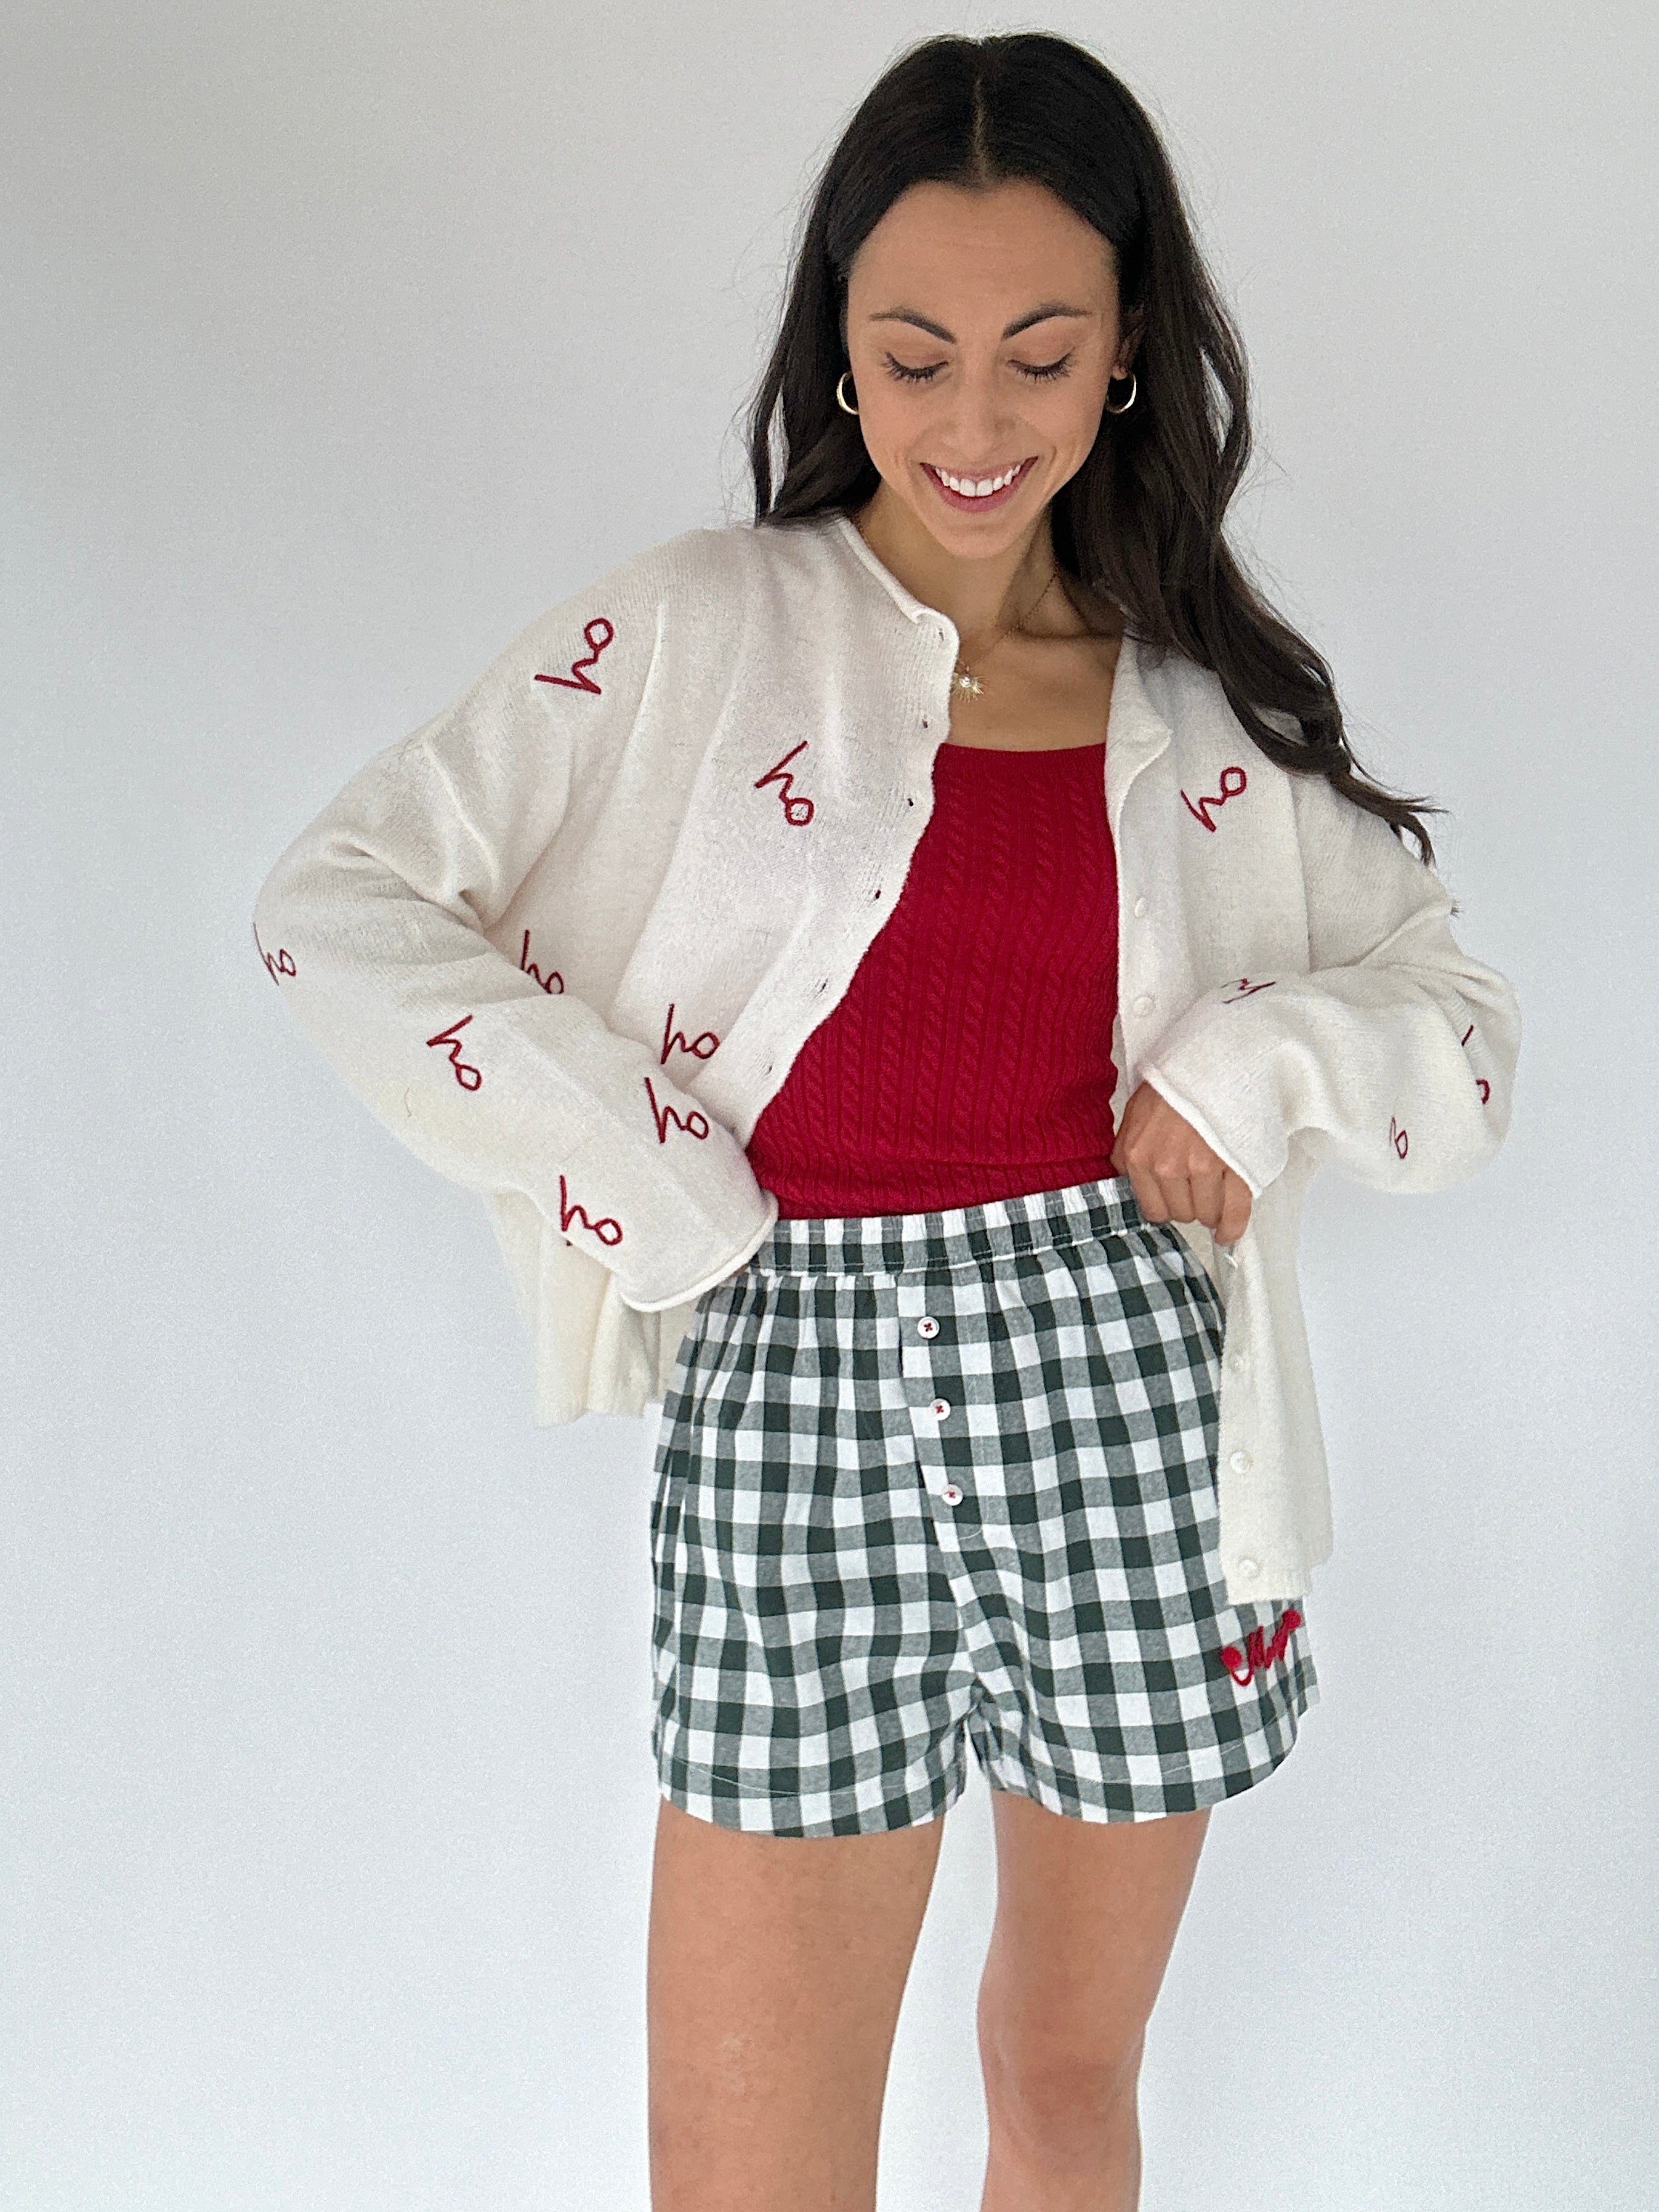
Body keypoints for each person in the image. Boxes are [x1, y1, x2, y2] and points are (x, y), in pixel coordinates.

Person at [252, 30, 1521, 2212]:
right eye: (912, 355)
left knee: (1057, 2082)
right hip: (790, 1382)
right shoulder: (692, 631)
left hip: (1126, 1397)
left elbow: (1463, 1027)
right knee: (739, 2157)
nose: (970, 423)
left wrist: (1257, 1065)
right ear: (837, 344)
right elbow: (338, 910)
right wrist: (641, 1165)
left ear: (1131, 351)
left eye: (1038, 356)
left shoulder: (1198, 713)